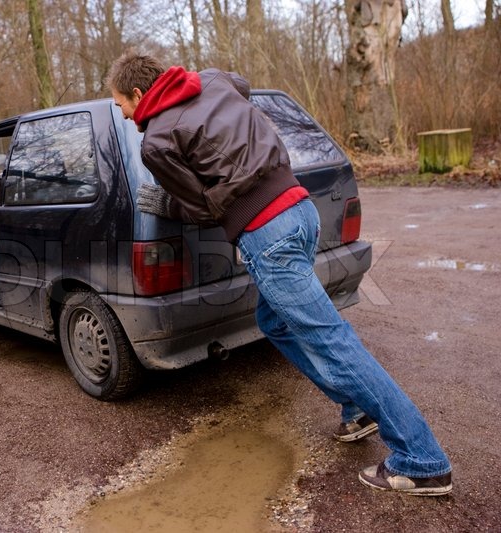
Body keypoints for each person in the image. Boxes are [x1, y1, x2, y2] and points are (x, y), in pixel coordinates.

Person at [107, 51, 452, 495]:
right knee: (275, 323)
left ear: (139, 93)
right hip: (300, 211)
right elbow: (243, 83)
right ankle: (357, 407)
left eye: (121, 104)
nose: (123, 112)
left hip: (267, 235)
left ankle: (422, 460)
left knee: (333, 341)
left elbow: (204, 207)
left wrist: (164, 203)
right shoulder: (212, 80)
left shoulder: (156, 143)